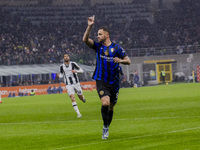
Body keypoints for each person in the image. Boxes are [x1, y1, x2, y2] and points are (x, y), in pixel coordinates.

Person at [83, 15, 131, 139]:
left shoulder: (117, 48)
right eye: (97, 34)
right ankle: (105, 127)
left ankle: (107, 126)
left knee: (111, 106)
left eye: (100, 34)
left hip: (114, 81)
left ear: (106, 35)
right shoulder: (98, 47)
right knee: (105, 103)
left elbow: (128, 61)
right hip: (101, 80)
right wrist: (89, 26)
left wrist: (120, 61)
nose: (98, 36)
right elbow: (85, 40)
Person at [56, 53, 86, 118]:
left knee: (80, 97)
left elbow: (81, 71)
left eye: (67, 56)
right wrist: (59, 76)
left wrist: (76, 71)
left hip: (76, 83)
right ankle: (78, 113)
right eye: (65, 56)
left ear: (69, 58)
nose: (66, 57)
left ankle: (83, 98)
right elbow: (61, 74)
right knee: (72, 97)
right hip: (68, 84)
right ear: (63, 58)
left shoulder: (73, 64)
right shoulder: (61, 66)